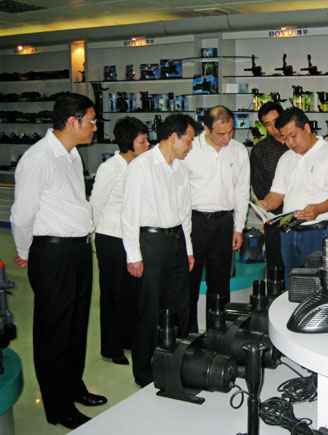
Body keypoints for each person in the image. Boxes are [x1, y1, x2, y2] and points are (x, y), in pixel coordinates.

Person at [10, 93, 106, 429]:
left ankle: (73, 387)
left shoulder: (72, 155)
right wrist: (27, 252)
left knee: (76, 326)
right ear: (71, 121)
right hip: (53, 253)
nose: (95, 126)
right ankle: (57, 406)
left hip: (78, 250)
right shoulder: (38, 159)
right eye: (91, 120)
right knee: (55, 332)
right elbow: (22, 215)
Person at [121, 114, 196, 387]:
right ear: (174, 137)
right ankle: (145, 373)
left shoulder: (181, 168)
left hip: (176, 241)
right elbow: (129, 214)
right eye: (188, 140)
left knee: (179, 307)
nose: (190, 147)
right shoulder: (141, 167)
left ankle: (173, 362)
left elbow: (185, 213)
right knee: (150, 311)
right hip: (150, 243)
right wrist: (133, 255)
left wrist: (188, 248)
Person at [256, 108, 328, 284]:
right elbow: (277, 193)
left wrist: (319, 209)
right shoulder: (286, 158)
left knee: (320, 286)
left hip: (320, 232)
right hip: (289, 231)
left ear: (307, 128)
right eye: (285, 138)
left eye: (293, 136)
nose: (290, 143)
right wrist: (265, 204)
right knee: (292, 284)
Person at [183, 105, 250, 332]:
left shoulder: (239, 151)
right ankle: (188, 335)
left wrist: (238, 227)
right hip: (194, 222)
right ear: (206, 129)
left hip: (224, 222)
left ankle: (216, 335)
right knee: (189, 283)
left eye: (231, 131)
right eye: (221, 133)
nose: (227, 138)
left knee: (220, 286)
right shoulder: (190, 149)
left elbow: (242, 191)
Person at [90, 117, 150, 365]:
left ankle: (129, 339)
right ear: (128, 142)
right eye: (142, 141)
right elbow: (95, 205)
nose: (148, 145)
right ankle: (112, 348)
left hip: (132, 237)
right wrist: (95, 237)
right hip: (111, 237)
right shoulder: (111, 168)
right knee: (112, 293)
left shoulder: (141, 166)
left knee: (132, 292)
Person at [250, 102, 287, 279]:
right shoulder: (260, 151)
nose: (274, 128)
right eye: (267, 124)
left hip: (303, 214)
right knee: (276, 264)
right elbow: (258, 187)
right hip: (274, 216)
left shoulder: (297, 144)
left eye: (276, 121)